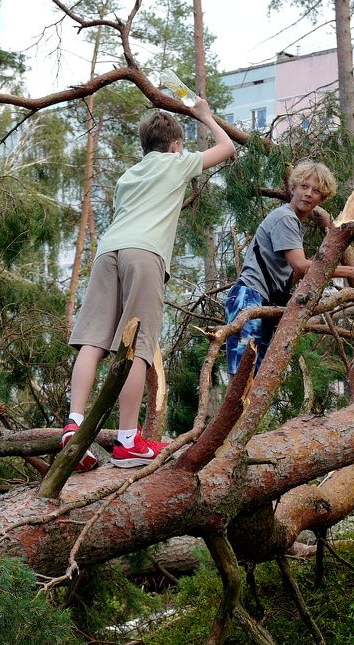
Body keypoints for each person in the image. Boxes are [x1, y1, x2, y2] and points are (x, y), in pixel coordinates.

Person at [65, 99, 235, 470]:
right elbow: (227, 149)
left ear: (143, 146)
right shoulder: (176, 163)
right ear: (175, 146)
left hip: (107, 252)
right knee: (138, 347)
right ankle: (128, 441)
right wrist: (204, 115)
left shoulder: (129, 176)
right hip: (145, 256)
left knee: (93, 341)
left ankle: (74, 424)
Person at [225, 160, 354, 375]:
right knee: (243, 378)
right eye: (304, 186)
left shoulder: (294, 222)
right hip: (248, 299)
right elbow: (302, 267)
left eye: (316, 191)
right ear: (292, 187)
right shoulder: (285, 218)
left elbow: (294, 274)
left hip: (261, 301)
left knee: (256, 378)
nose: (308, 194)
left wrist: (328, 254)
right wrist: (349, 272)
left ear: (322, 198)